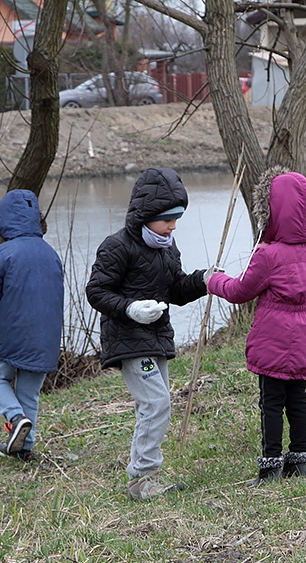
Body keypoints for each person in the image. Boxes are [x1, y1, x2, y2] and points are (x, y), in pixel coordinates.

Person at [86, 167, 209, 501]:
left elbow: (176, 291)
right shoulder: (117, 246)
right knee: (157, 402)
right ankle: (141, 477)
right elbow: (97, 291)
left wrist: (203, 280)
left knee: (151, 406)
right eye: (166, 219)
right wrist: (130, 308)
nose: (172, 226)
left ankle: (142, 477)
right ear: (145, 215)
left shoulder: (168, 247)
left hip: (157, 338)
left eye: (176, 219)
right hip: (127, 339)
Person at [206, 167, 306, 485]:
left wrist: (213, 280)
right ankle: (298, 461)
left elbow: (239, 291)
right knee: (298, 399)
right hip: (305, 337)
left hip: (273, 340)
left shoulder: (268, 255)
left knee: (271, 403)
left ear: (271, 213)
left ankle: (270, 467)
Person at [0, 189, 64, 461]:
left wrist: (5, 312)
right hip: (47, 335)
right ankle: (25, 449)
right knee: (29, 391)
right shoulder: (51, 254)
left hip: (13, 329)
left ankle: (15, 420)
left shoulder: (5, 252)